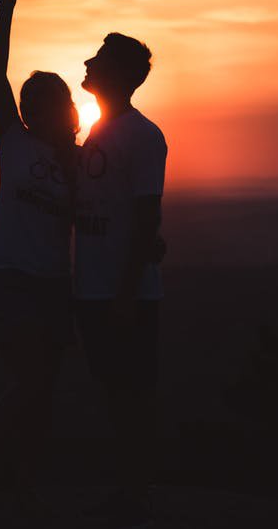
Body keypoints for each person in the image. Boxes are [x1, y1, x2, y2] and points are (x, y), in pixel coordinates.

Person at [0, 0, 79, 521]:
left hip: (54, 285)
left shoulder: (80, 161)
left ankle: (22, 484)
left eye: (45, 101)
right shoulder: (12, 140)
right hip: (7, 279)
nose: (34, 108)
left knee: (43, 390)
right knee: (28, 381)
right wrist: (5, 13)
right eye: (31, 101)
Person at [74, 32, 167, 528]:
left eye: (100, 59)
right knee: (113, 393)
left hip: (123, 294)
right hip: (94, 289)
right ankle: (129, 491)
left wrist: (127, 294)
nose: (88, 62)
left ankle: (137, 495)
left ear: (122, 75)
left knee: (131, 394)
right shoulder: (100, 131)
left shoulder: (142, 135)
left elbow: (146, 215)